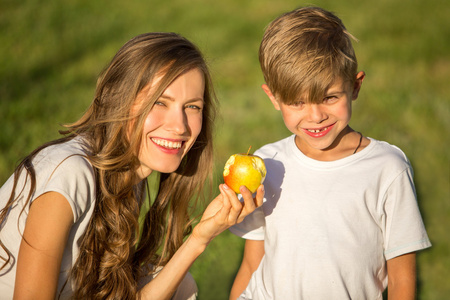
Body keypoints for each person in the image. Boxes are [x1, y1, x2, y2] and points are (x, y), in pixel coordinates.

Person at [0, 32, 264, 299]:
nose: (179, 126)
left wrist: (199, 238)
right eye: (160, 102)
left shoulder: (130, 177)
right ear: (119, 98)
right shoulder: (69, 173)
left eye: (192, 107)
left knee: (179, 284)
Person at [229, 6, 431, 300]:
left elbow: (401, 279)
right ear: (273, 97)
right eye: (297, 103)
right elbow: (251, 264)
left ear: (355, 86)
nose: (315, 116)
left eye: (329, 97)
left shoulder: (387, 168)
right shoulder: (267, 164)